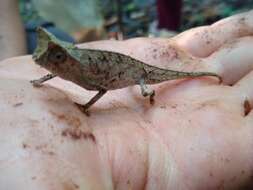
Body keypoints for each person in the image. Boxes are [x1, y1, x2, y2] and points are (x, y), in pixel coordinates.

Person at [0, 10, 253, 190]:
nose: (53, 65)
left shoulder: (78, 68)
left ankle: (153, 89)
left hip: (136, 74)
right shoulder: (68, 66)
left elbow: (101, 89)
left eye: (56, 59)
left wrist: (86, 107)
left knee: (151, 83)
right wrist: (33, 82)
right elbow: (57, 71)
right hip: (120, 69)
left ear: (64, 59)